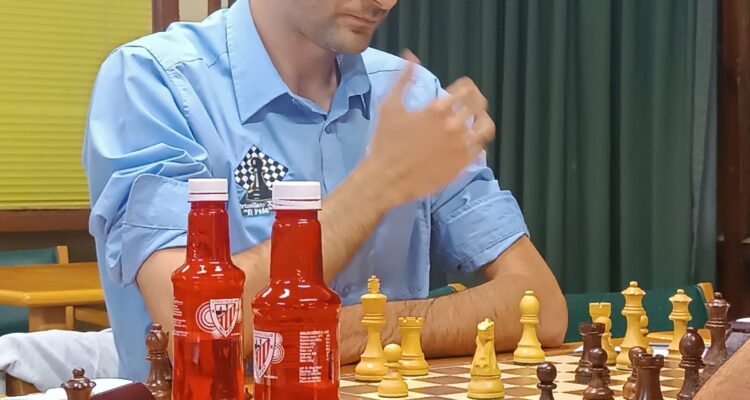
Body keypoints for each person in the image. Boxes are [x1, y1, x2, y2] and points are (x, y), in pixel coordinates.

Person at [83, 0, 567, 381]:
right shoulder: (152, 82)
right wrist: (382, 180)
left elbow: (542, 306)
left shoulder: (414, 96)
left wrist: (353, 329)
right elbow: (197, 323)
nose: (386, 1)